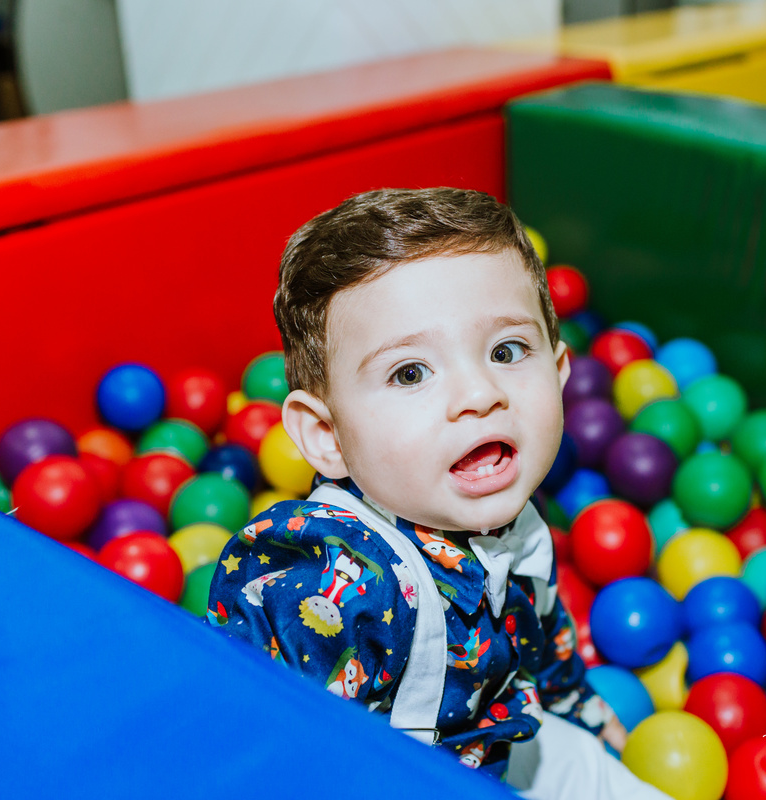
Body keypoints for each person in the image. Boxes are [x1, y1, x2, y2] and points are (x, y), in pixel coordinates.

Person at [207, 187, 671, 799]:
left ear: (560, 375)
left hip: (497, 739)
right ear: (327, 438)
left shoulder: (516, 519)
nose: (479, 393)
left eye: (506, 351)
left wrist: (575, 705)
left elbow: (544, 639)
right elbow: (247, 732)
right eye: (410, 372)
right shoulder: (338, 580)